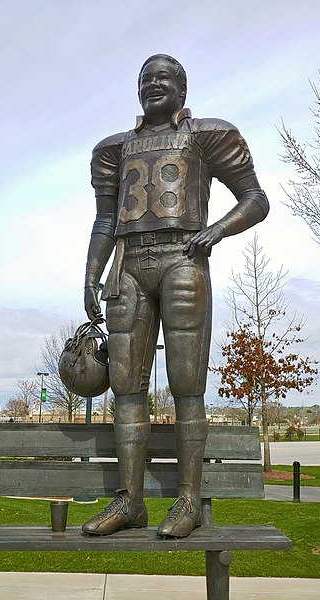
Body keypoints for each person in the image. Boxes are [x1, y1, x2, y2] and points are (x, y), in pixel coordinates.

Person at [82, 54, 269, 538]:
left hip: (183, 258)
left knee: (187, 385)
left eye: (163, 77)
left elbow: (255, 197)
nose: (152, 84)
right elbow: (106, 219)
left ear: (183, 90)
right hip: (128, 264)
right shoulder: (115, 149)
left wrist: (218, 230)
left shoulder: (206, 136)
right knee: (126, 387)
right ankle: (130, 500)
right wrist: (90, 273)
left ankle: (188, 501)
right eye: (145, 78)